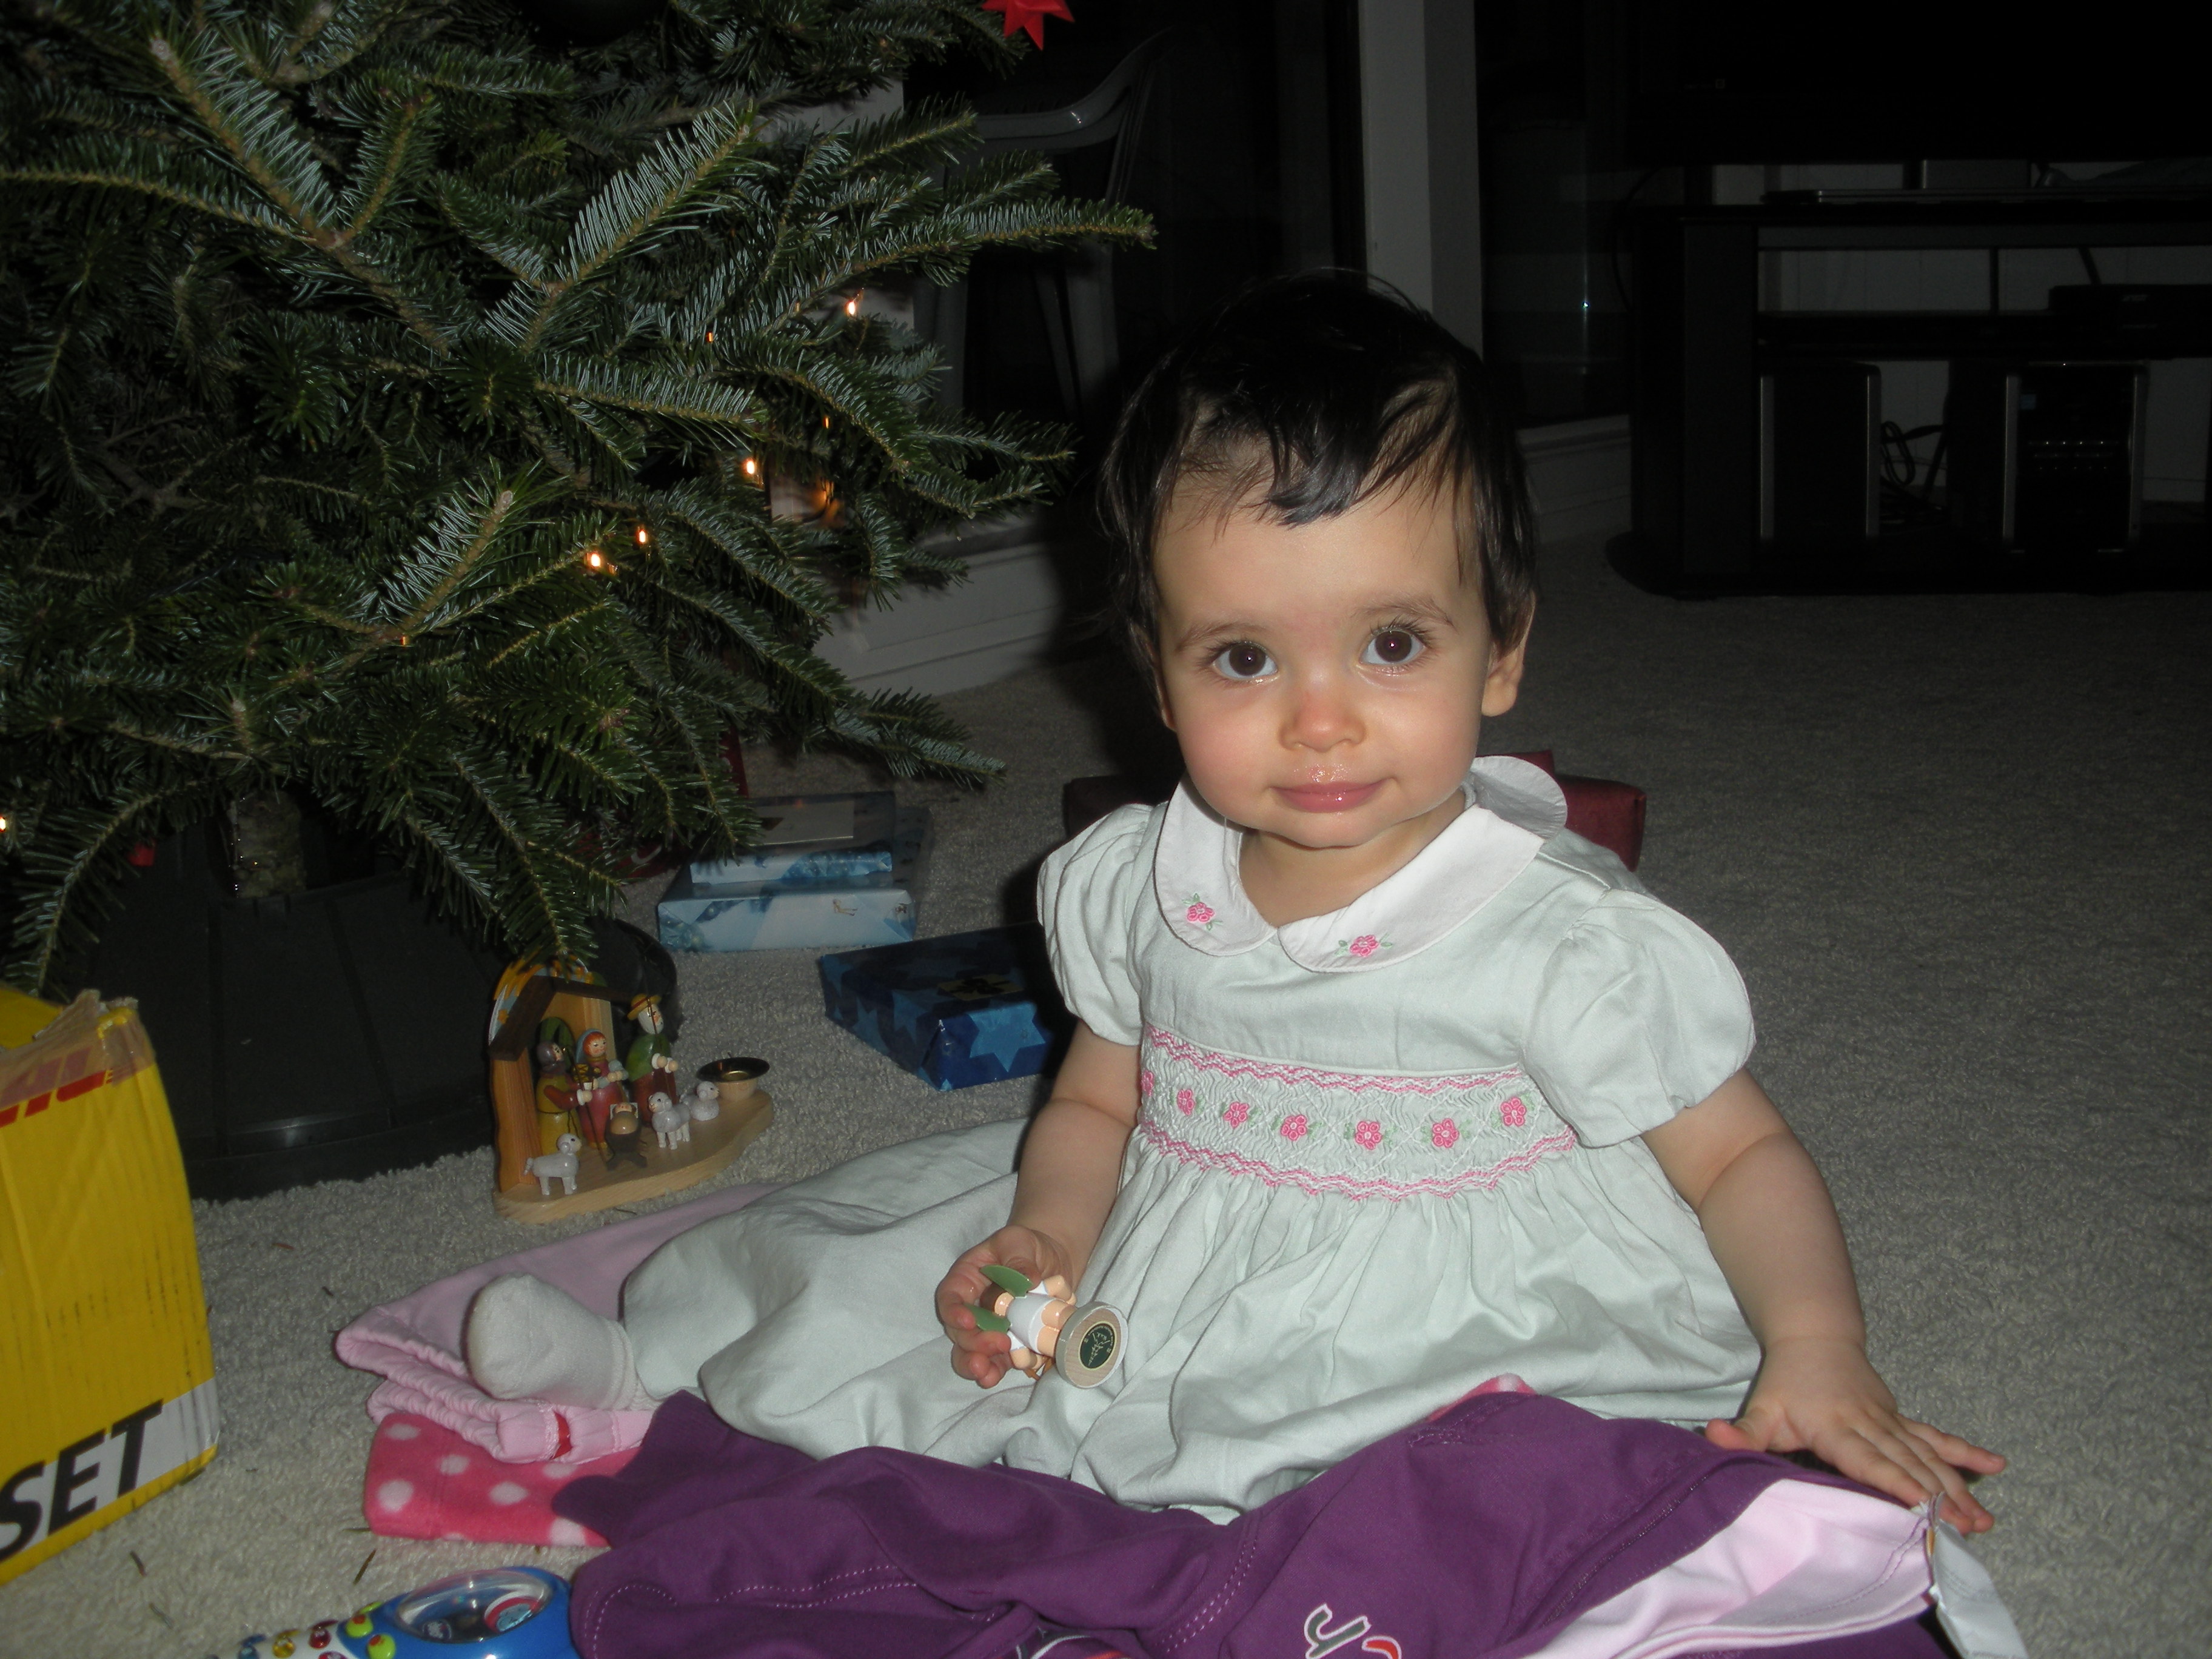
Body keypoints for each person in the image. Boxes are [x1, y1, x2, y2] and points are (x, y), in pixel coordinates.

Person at [464, 276, 2001, 1530]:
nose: (1320, 720)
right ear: (1158, 674)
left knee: (1439, 1503)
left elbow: (1738, 1154)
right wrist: (1050, 1232)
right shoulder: (1142, 882)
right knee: (881, 1275)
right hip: (1175, 1235)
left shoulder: (1559, 937)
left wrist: (1819, 1349)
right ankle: (643, 1368)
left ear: (1505, 648)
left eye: (1392, 644)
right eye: (1246, 658)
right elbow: (1096, 1103)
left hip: (1462, 1312)